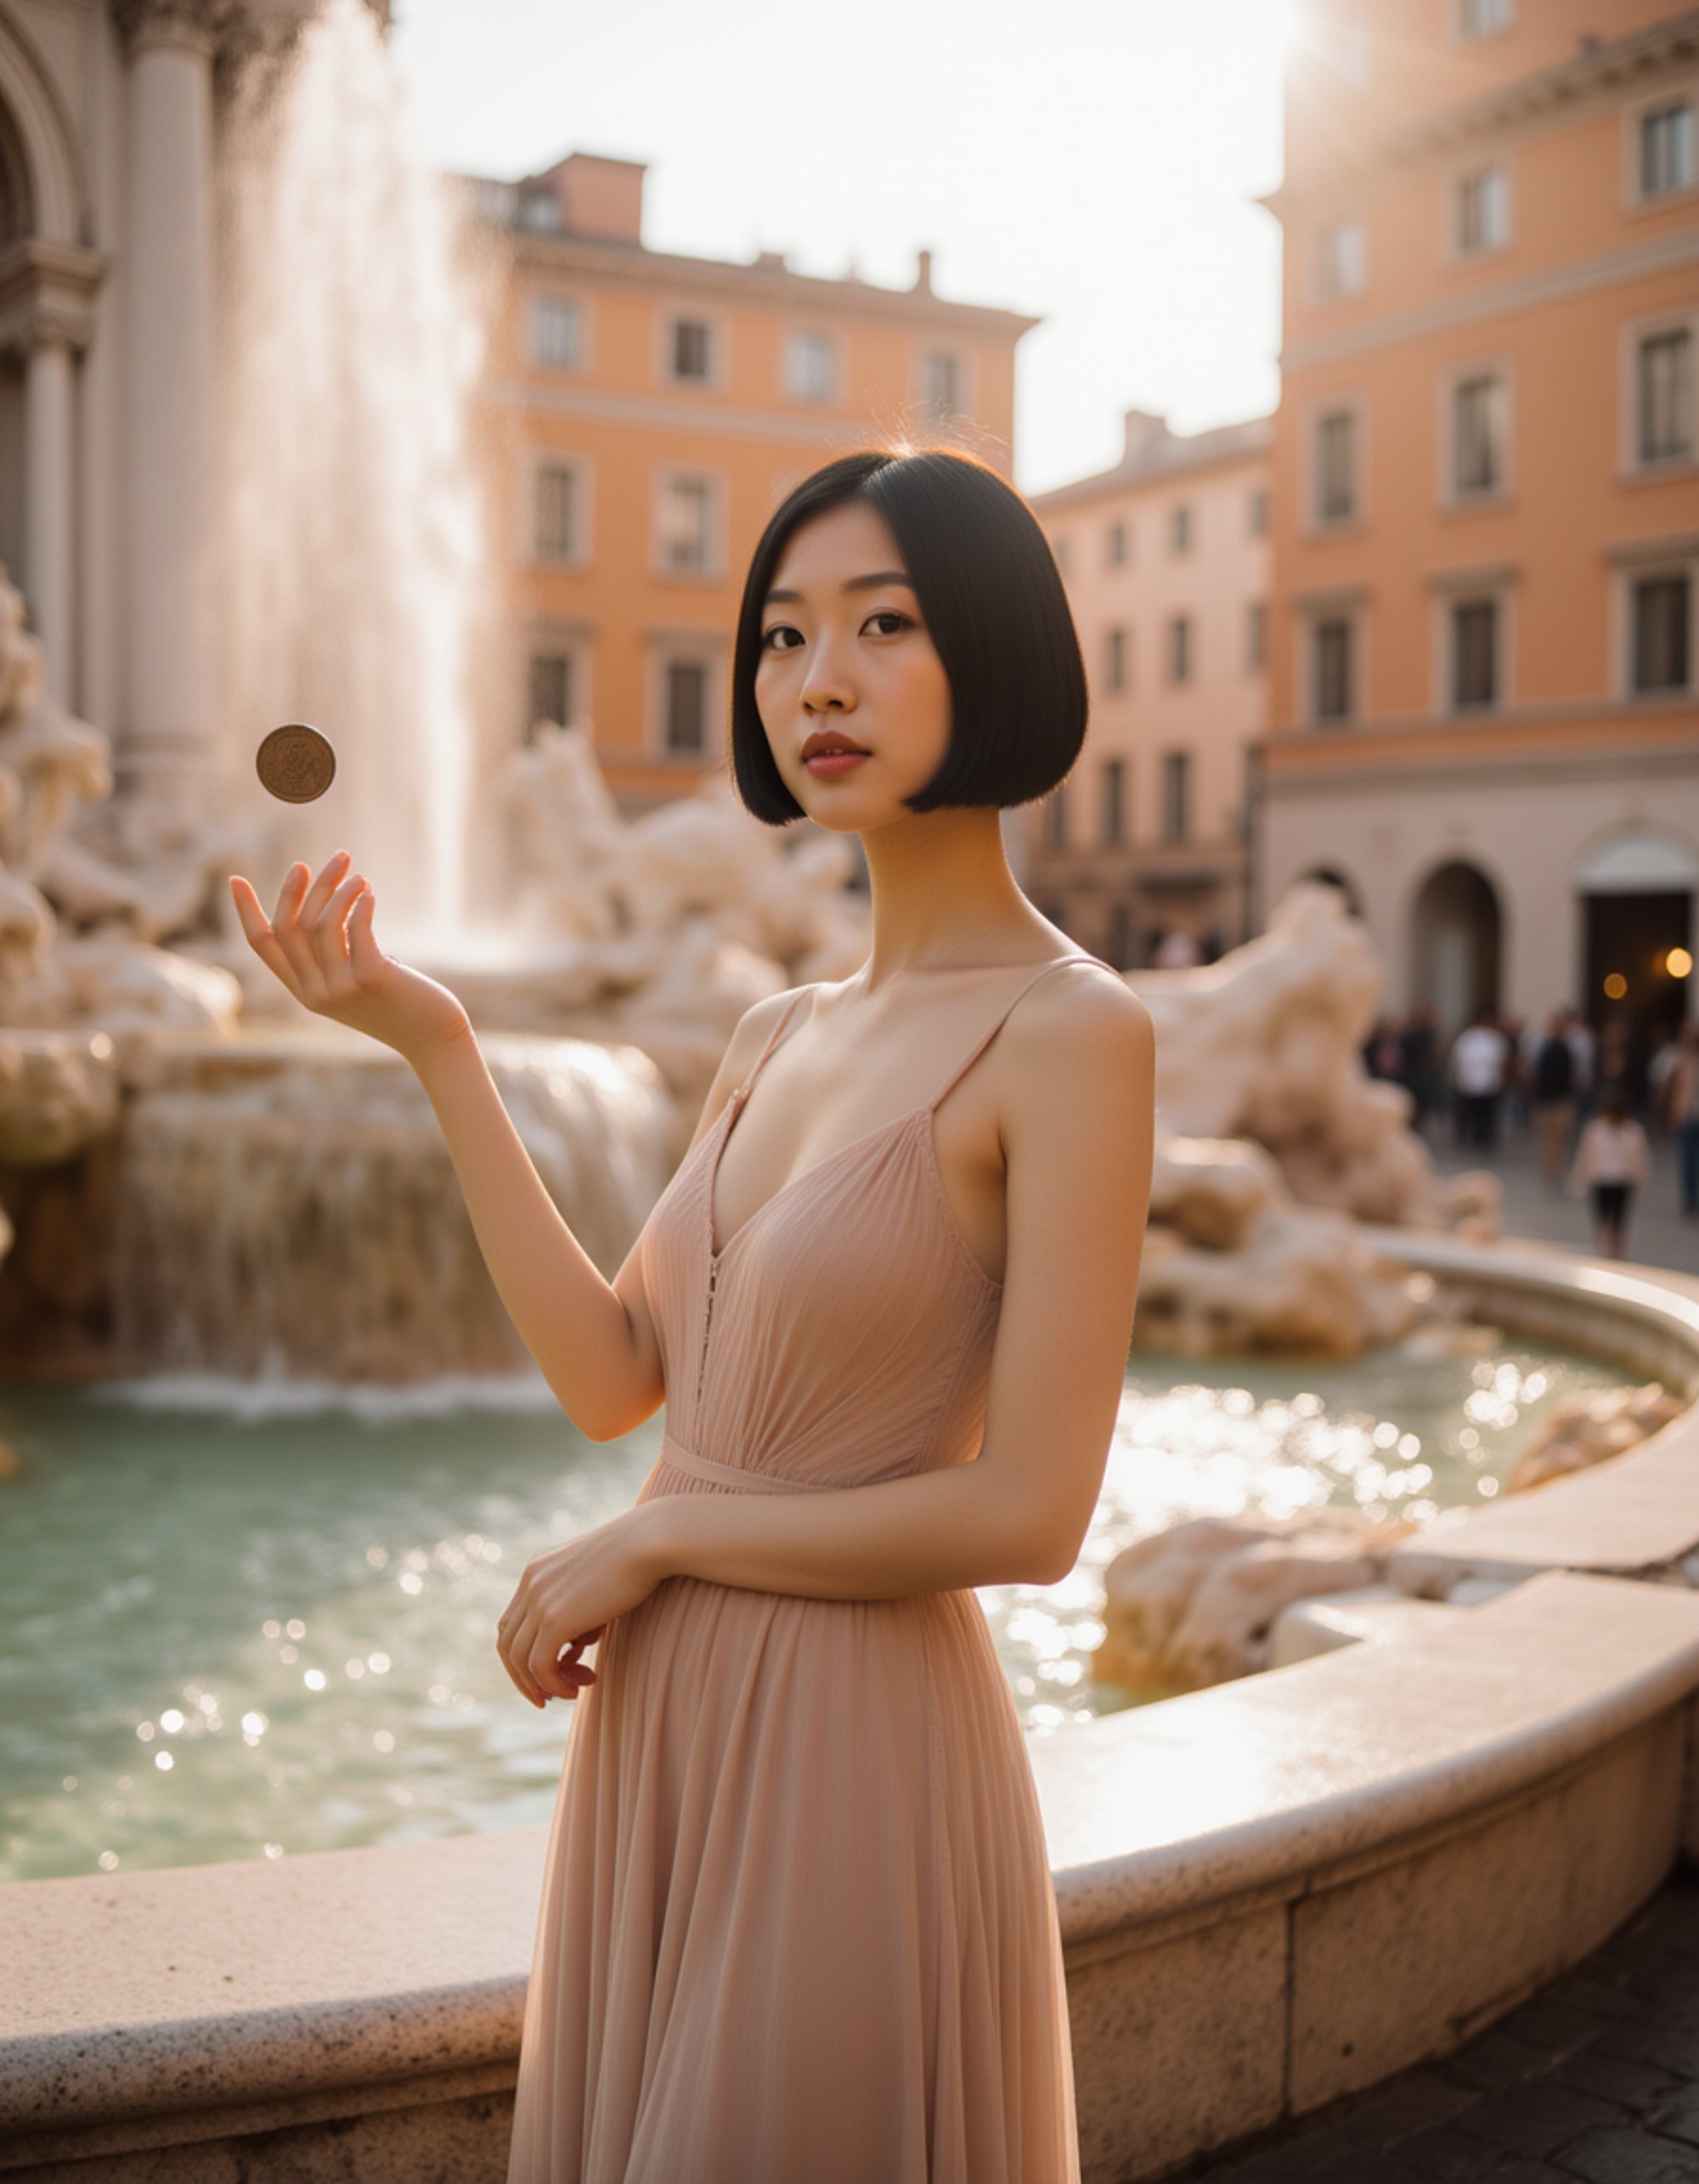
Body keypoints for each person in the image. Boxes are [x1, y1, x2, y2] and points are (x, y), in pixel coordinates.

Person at [229, 446, 1155, 2184]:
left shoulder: (1073, 1032)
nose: (820, 678)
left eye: (884, 623)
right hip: (667, 1740)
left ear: (998, 649)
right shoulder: (772, 1032)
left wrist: (657, 1548)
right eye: (784, 635)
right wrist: (439, 1050)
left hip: (856, 1748)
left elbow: (1032, 1512)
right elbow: (613, 1376)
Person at [1570, 1081, 1650, 1260]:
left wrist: (1639, 1180)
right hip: (1602, 1180)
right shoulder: (1596, 1129)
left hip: (1621, 1181)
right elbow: (1585, 1155)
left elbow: (1639, 1159)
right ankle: (1605, 1252)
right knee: (1603, 1219)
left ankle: (1617, 1253)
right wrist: (1580, 1178)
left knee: (1619, 1220)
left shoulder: (1631, 1131)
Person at [1448, 1007, 1510, 1151]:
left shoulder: (1495, 1039)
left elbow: (1501, 1061)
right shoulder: (1468, 1038)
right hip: (1471, 1082)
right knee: (1475, 1112)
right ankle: (1476, 1137)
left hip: (1487, 1082)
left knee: (1486, 1112)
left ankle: (1485, 1138)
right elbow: (1459, 1060)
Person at [1529, 1009, 1578, 1188]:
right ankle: (1552, 1170)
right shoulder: (1551, 1047)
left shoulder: (1558, 1049)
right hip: (1552, 1099)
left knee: (1555, 1138)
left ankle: (1553, 1170)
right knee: (1551, 1139)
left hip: (1555, 1100)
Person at [1669, 1021, 1699, 1216]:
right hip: (1688, 1114)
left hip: (1690, 1113)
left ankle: (1691, 1200)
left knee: (1689, 1159)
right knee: (1688, 1160)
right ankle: (1690, 1200)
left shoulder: (1685, 1059)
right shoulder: (1683, 1059)